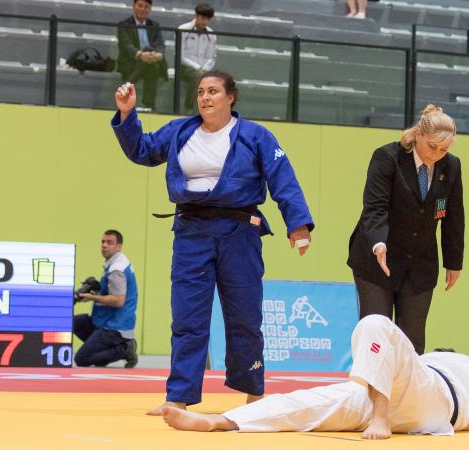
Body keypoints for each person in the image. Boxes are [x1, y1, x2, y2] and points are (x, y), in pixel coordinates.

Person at [111, 71, 314, 415]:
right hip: (191, 231)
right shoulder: (180, 131)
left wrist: (298, 225)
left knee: (244, 315)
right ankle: (179, 396)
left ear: (230, 98)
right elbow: (142, 150)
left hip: (240, 232)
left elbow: (284, 179)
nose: (205, 97)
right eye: (201, 91)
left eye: (214, 91)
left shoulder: (255, 136)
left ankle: (253, 393)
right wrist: (128, 115)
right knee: (188, 316)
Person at [161, 314, 469, 438]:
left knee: (376, 321)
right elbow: (402, 358)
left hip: (432, 402)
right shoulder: (423, 358)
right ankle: (220, 422)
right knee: (306, 401)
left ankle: (380, 417)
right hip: (379, 393)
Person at [347, 105, 463, 355]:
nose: (437, 154)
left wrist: (454, 262)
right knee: (376, 337)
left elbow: (453, 217)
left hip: (420, 262)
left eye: (444, 149)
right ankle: (370, 393)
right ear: (418, 135)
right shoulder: (387, 157)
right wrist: (378, 243)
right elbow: (374, 207)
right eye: (433, 147)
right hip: (378, 258)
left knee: (412, 342)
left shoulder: (451, 166)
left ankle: (408, 395)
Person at [73, 230, 139, 368]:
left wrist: (92, 297)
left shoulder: (117, 269)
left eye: (109, 242)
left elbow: (118, 300)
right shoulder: (116, 262)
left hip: (116, 326)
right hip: (104, 320)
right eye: (103, 242)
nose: (104, 245)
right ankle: (103, 351)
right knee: (70, 322)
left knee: (82, 359)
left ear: (119, 246)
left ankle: (124, 349)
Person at [116, 0, 167, 111]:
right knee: (152, 66)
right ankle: (148, 106)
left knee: (151, 64)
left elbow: (160, 44)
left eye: (146, 7)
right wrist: (140, 55)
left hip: (150, 60)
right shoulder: (124, 25)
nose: (143, 9)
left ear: (150, 9)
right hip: (132, 62)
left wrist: (159, 54)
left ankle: (128, 100)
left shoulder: (154, 25)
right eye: (140, 6)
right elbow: (126, 45)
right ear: (134, 6)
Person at [178, 3, 217, 115]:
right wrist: (197, 68)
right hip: (185, 67)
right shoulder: (183, 29)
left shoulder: (211, 34)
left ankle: (212, 112)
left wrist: (204, 68)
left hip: (204, 70)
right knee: (197, 76)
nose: (205, 22)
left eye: (208, 19)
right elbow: (181, 57)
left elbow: (212, 57)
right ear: (196, 15)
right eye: (203, 18)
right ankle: (188, 108)